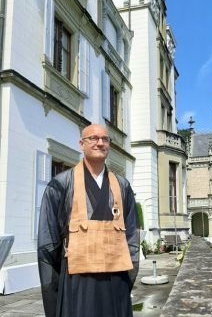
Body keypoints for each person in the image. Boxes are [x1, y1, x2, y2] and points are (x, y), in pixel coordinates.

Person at [38, 124, 139, 317]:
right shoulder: (61, 184)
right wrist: (57, 288)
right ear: (81, 144)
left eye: (105, 139)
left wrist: (128, 278)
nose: (100, 143)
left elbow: (131, 237)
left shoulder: (122, 186)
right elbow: (48, 241)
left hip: (116, 277)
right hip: (77, 279)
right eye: (93, 138)